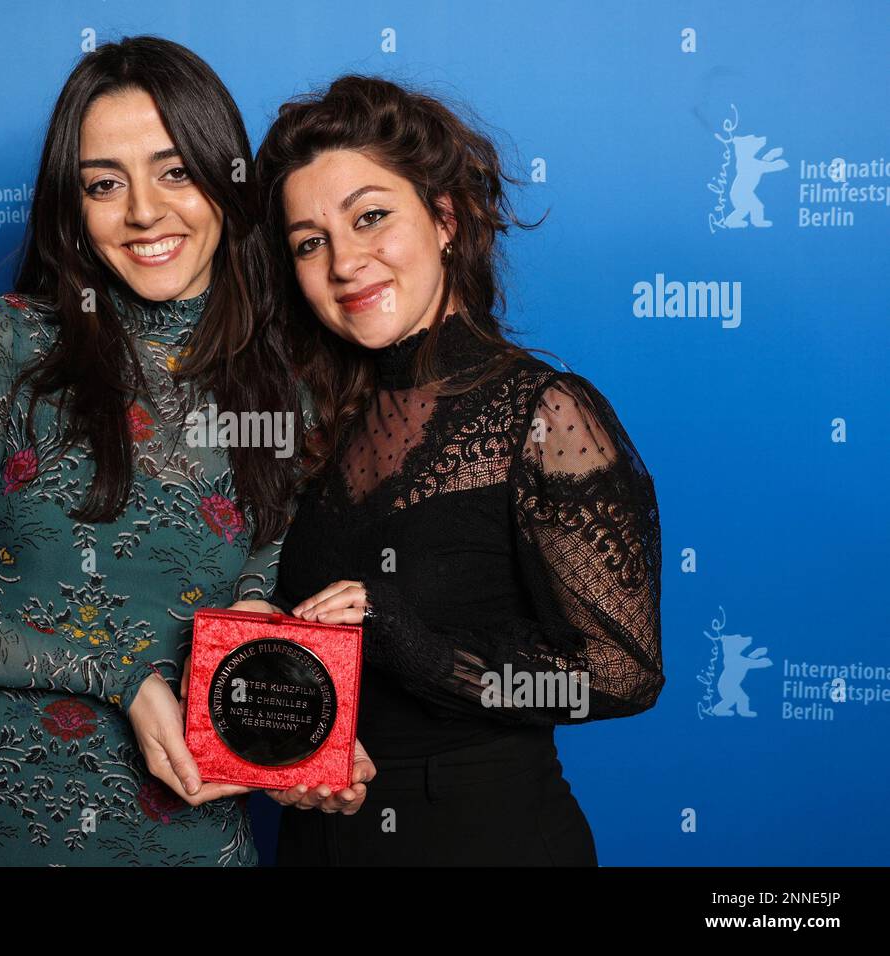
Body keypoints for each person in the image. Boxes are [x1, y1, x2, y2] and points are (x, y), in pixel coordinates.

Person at [0, 36, 306, 866]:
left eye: (175, 172)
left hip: (190, 837)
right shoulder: (13, 344)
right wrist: (118, 677)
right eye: (105, 183)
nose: (143, 212)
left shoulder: (288, 389)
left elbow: (259, 638)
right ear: (74, 207)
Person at [249, 75, 666, 865]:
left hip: (485, 834)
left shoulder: (545, 414)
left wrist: (414, 641)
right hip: (321, 840)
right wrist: (294, 748)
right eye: (310, 241)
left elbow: (620, 674)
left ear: (444, 218)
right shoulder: (312, 427)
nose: (344, 262)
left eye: (371, 216)